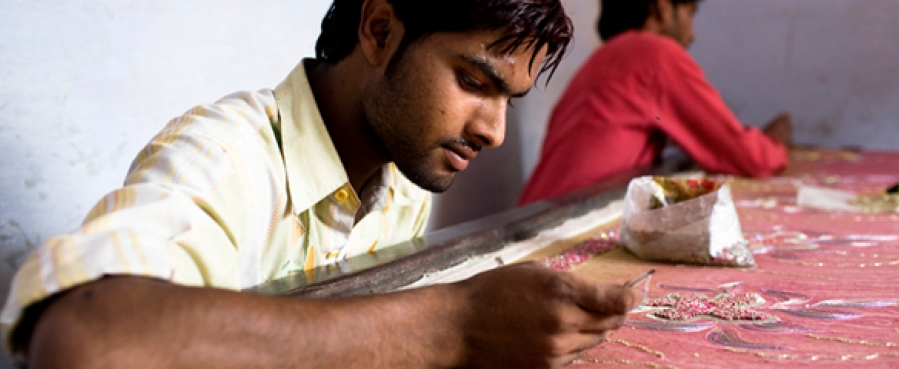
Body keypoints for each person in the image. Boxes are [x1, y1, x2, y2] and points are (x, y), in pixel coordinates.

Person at [1, 0, 644, 368]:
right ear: (380, 31)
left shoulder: (400, 182)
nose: (495, 131)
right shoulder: (225, 157)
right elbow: (88, 339)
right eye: (474, 82)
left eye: (511, 99)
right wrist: (457, 323)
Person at [518, 0, 793, 206]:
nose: (692, 33)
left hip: (536, 211)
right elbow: (747, 157)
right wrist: (775, 142)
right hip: (563, 222)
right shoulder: (655, 53)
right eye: (689, 13)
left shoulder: (607, 57)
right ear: (662, 8)